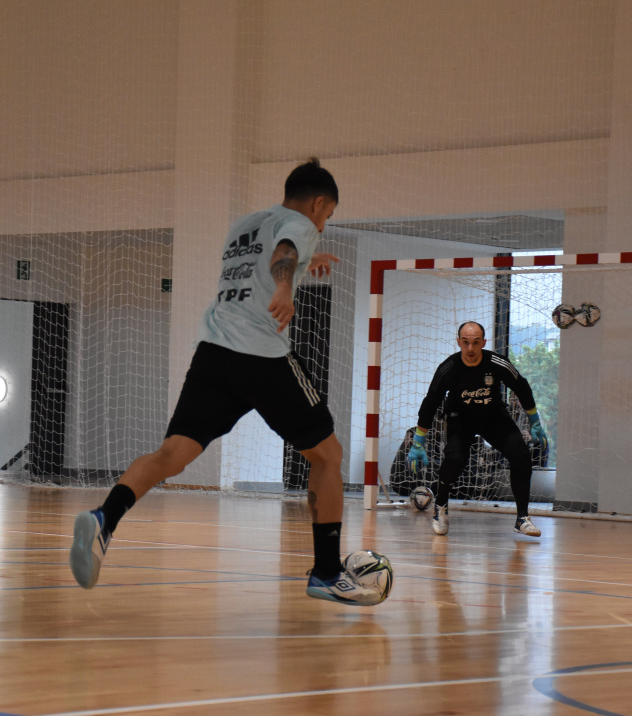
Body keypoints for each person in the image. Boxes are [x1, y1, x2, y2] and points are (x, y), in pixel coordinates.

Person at [70, 158, 386, 605]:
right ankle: (327, 573)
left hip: (213, 356)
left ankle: (106, 517)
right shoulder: (300, 223)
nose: (323, 223)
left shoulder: (244, 224)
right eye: (327, 216)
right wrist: (284, 285)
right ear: (318, 203)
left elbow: (274, 253)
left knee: (171, 454)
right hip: (263, 357)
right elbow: (283, 254)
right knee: (328, 456)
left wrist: (304, 264)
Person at [407, 321, 547, 537]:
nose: (470, 349)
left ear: (483, 342)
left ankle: (522, 518)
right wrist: (419, 441)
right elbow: (430, 402)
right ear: (458, 342)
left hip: (494, 417)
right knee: (454, 460)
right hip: (460, 419)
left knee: (520, 455)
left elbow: (522, 386)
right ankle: (441, 508)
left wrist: (535, 420)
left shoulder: (498, 363)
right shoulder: (449, 368)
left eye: (475, 342)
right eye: (465, 343)